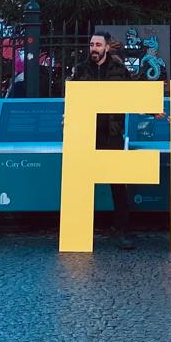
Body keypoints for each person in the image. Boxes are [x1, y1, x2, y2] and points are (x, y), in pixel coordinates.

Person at [67, 32, 137, 249]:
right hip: (86, 133)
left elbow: (133, 95)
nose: (94, 48)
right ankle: (76, 232)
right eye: (91, 45)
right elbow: (72, 99)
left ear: (107, 47)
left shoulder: (119, 70)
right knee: (80, 182)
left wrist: (153, 111)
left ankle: (123, 230)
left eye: (98, 45)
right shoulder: (80, 70)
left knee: (117, 182)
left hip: (112, 132)